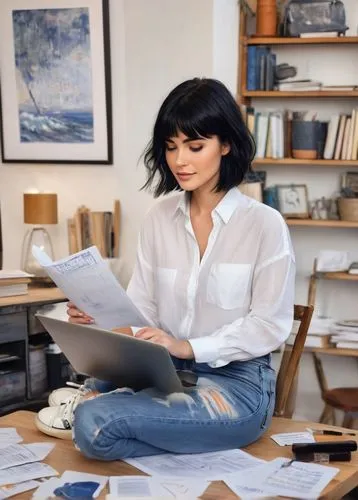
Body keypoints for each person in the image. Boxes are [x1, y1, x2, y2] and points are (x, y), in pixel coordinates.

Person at [36, 78, 295, 460]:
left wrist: (187, 346)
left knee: (96, 422)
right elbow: (143, 315)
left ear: (225, 144)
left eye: (195, 146)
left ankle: (95, 409)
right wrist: (98, 318)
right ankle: (135, 415)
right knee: (95, 405)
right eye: (171, 147)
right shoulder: (159, 217)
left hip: (238, 384)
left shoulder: (264, 224)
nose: (179, 161)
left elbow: (269, 326)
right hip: (161, 372)